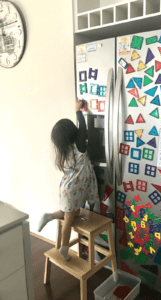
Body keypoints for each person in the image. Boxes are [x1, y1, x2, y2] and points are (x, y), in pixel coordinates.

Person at [38, 99, 100, 260]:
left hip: (68, 186)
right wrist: (78, 111)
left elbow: (81, 130)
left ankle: (49, 216)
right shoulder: (79, 144)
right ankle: (64, 249)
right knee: (69, 218)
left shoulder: (67, 147)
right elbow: (83, 128)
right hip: (73, 188)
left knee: (75, 212)